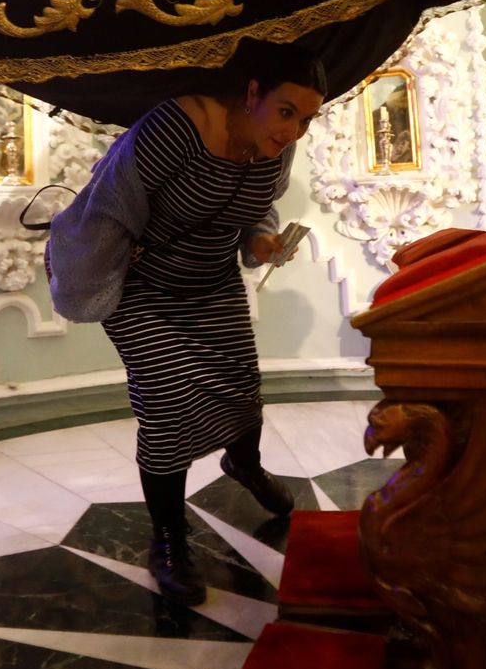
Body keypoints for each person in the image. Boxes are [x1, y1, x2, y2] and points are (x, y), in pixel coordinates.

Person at [46, 43, 326, 605]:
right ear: (252, 93)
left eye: (307, 119)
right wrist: (95, 287)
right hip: (141, 288)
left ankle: (243, 464)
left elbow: (256, 208)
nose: (293, 131)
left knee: (242, 390)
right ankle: (170, 544)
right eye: (286, 111)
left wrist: (263, 241)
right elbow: (106, 206)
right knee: (167, 406)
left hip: (212, 282)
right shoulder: (175, 127)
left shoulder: (275, 147)